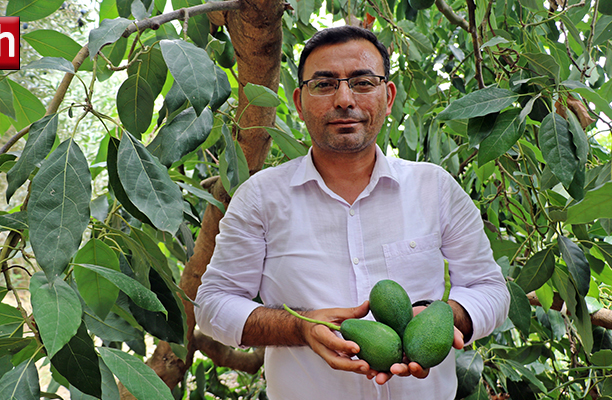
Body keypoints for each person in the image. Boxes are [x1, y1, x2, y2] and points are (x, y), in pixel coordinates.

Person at [195, 25, 510, 399]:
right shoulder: (260, 198)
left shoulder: (435, 187)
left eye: (363, 82)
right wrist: (299, 328)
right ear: (299, 101)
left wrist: (447, 316)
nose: (344, 99)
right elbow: (212, 304)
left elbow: (489, 288)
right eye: (325, 84)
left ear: (388, 96)